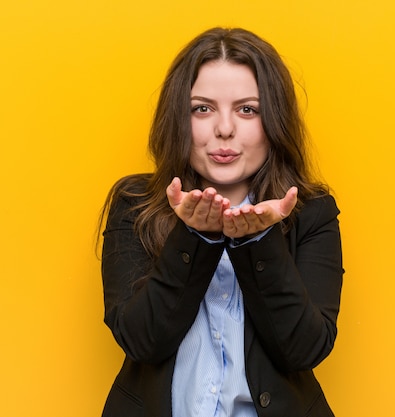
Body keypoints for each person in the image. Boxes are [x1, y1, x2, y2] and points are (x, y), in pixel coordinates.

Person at [99, 27, 344, 417]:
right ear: (178, 119)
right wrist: (195, 237)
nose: (224, 128)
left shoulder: (311, 212)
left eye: (247, 109)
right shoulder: (136, 206)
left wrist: (258, 242)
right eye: (203, 108)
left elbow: (303, 349)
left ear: (273, 121)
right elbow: (141, 341)